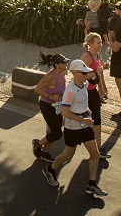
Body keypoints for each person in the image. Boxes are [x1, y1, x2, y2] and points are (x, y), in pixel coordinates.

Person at [43, 59, 107, 198]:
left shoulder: (84, 84)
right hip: (72, 129)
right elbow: (65, 112)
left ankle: (91, 184)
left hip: (85, 126)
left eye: (86, 72)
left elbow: (82, 102)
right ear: (75, 73)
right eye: (84, 73)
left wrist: (87, 110)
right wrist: (82, 119)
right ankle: (50, 169)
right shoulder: (70, 91)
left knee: (95, 154)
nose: (86, 75)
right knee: (67, 155)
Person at [32, 53, 69, 163]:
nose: (66, 63)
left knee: (56, 130)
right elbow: (37, 89)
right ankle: (37, 144)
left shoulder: (62, 73)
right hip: (47, 106)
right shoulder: (50, 76)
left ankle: (44, 152)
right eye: (63, 62)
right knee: (57, 133)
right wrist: (51, 96)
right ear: (57, 64)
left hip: (57, 106)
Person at [80, 32, 111, 158]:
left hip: (93, 91)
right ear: (90, 44)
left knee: (97, 119)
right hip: (84, 92)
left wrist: (103, 88)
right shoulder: (86, 57)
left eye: (101, 43)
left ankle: (98, 148)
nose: (100, 45)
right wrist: (95, 73)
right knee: (80, 118)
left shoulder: (97, 55)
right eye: (98, 43)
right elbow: (81, 76)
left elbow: (99, 73)